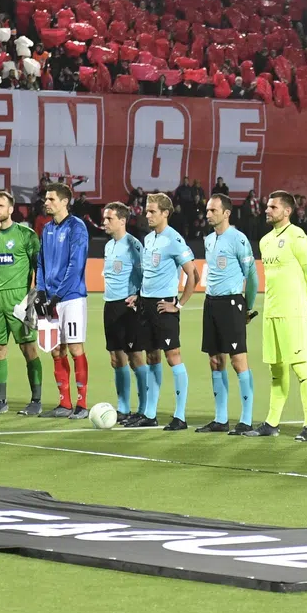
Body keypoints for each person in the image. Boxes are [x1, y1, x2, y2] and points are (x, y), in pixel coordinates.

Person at [253, 191, 307, 440]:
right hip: (271, 311)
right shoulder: (265, 241)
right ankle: (271, 423)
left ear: (287, 211)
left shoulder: (297, 236)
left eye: (272, 207)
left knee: (301, 367)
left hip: (293, 312)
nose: (267, 210)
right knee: (276, 369)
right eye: (267, 206)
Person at [0, 191, 43, 416]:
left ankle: (36, 400)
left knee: (29, 348)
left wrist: (34, 296)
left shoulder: (26, 234)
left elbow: (38, 265)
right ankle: (1, 400)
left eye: (1, 206)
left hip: (20, 300)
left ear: (11, 209)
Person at [200, 193, 258, 434]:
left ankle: (245, 419)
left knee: (238, 360)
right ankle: (220, 418)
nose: (208, 214)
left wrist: (248, 305)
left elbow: (252, 276)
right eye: (207, 210)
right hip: (211, 302)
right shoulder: (208, 240)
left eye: (213, 210)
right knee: (215, 360)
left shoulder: (238, 238)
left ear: (226, 213)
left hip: (232, 302)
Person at [138, 193, 195, 430]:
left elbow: (193, 275)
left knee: (173, 357)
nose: (147, 215)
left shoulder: (174, 239)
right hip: (146, 304)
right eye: (147, 210)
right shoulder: (149, 238)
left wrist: (178, 304)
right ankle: (150, 414)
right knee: (152, 357)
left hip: (164, 305)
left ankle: (180, 416)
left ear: (165, 213)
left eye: (152, 211)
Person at [35, 181, 91, 418]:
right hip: (50, 299)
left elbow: (75, 265)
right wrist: (39, 291)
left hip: (71, 299)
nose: (46, 203)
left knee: (75, 348)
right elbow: (41, 262)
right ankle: (64, 403)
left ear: (65, 202)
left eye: (51, 199)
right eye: (46, 199)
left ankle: (81, 404)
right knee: (55, 349)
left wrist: (57, 295)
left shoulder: (77, 227)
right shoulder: (47, 229)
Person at [100, 203, 150, 426]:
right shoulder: (109, 246)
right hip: (110, 305)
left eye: (109, 218)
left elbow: (145, 274)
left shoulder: (133, 245)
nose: (104, 222)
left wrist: (138, 296)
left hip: (128, 306)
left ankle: (144, 408)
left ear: (122, 220)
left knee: (135, 356)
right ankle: (123, 408)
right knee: (116, 358)